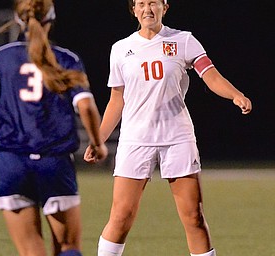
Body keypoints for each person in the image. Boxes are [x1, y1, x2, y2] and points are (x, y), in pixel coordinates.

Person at [84, 0, 252, 255]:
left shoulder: (184, 40)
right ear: (134, 9)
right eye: (141, 3)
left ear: (165, 6)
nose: (147, 8)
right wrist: (99, 140)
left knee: (194, 217)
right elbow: (116, 100)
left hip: (177, 137)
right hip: (135, 139)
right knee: (121, 217)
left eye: (153, 2)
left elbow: (211, 75)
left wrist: (235, 95)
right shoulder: (121, 49)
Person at [0, 0, 108, 255]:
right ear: (51, 19)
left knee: (32, 251)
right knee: (68, 247)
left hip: (11, 161)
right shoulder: (66, 58)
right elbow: (87, 107)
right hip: (53, 161)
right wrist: (98, 143)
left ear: (18, 20)